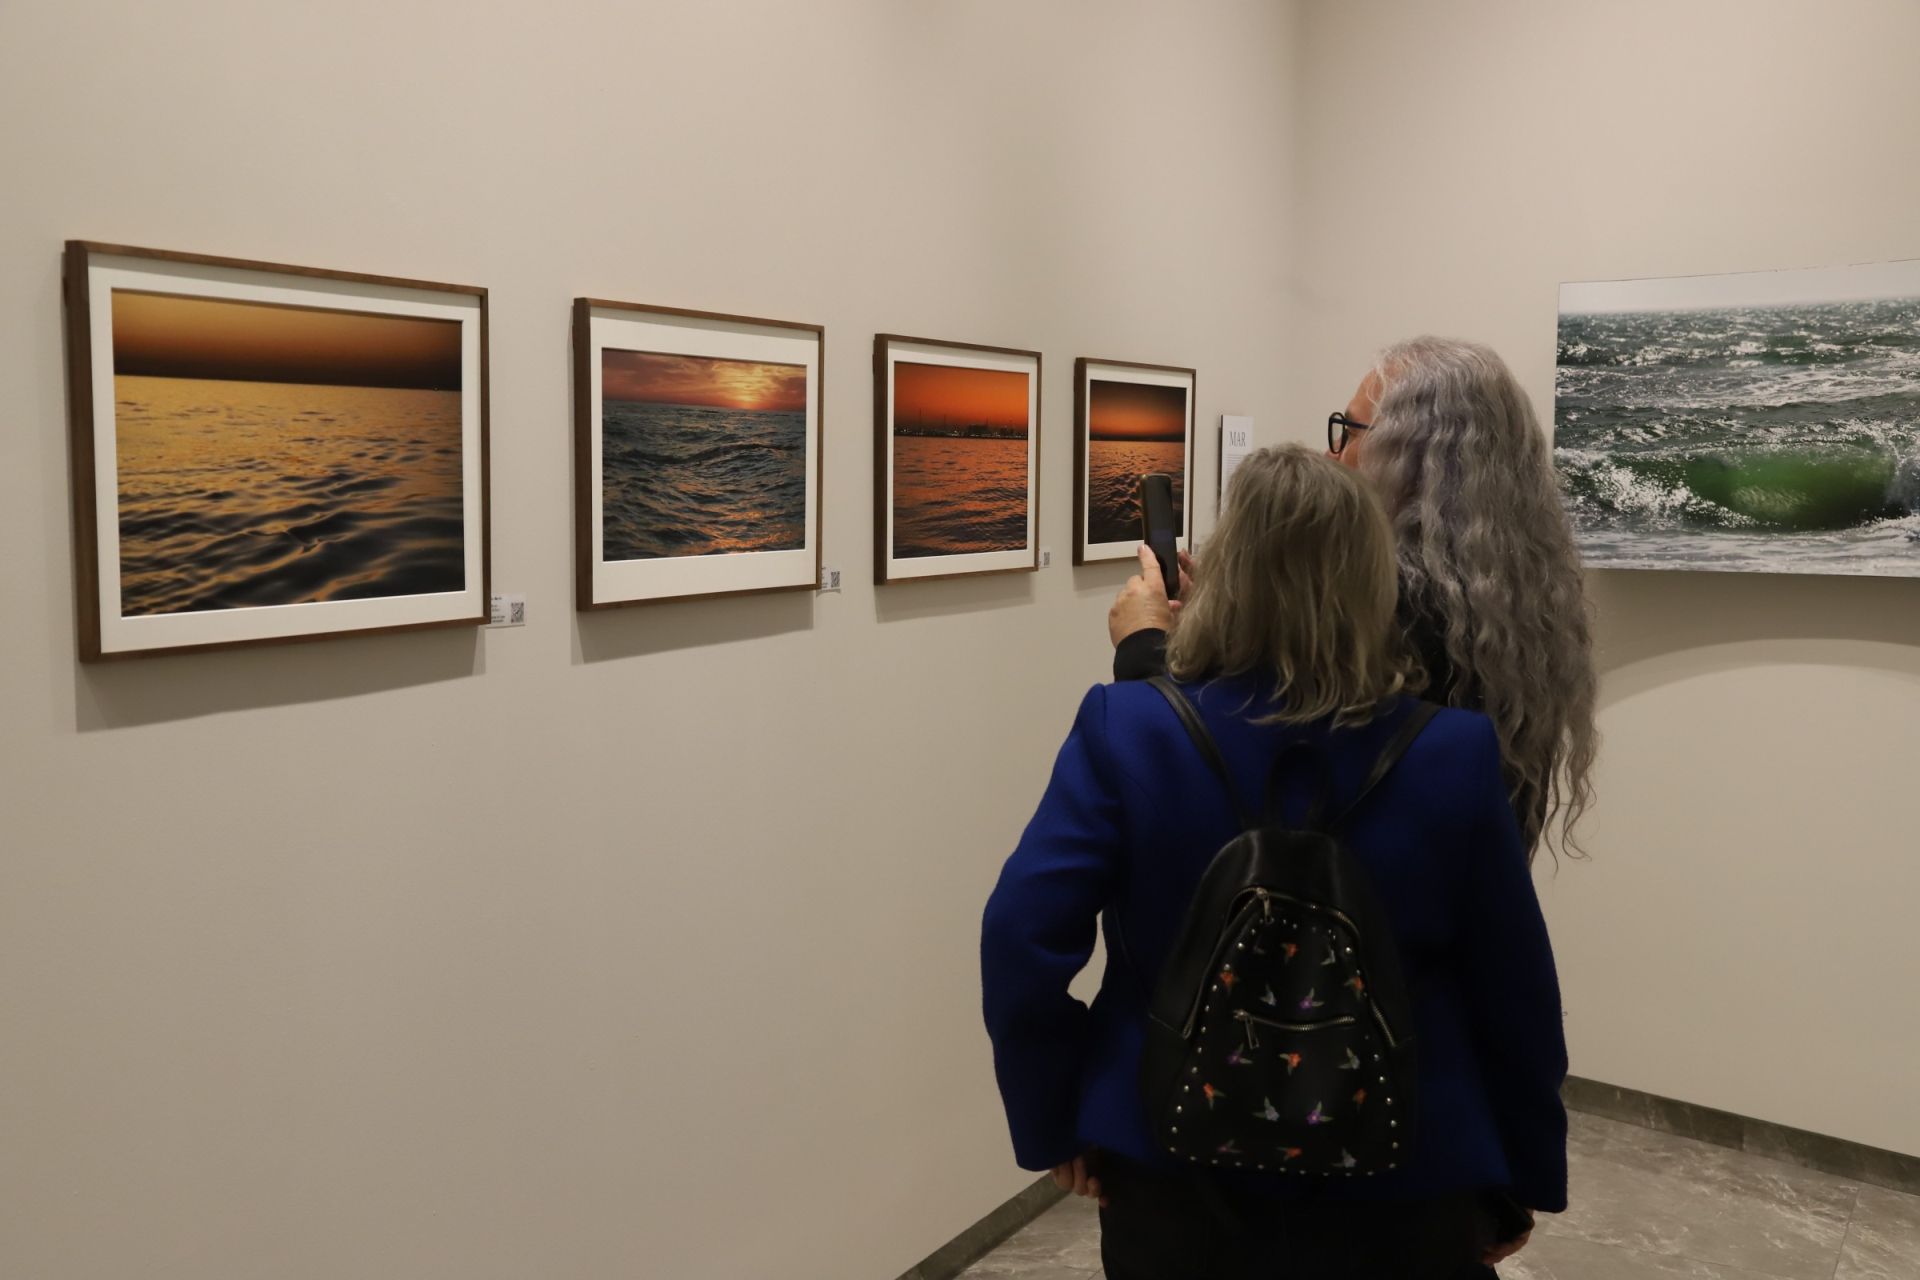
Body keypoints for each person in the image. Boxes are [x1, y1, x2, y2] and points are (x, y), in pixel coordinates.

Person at [983, 446, 1568, 1279]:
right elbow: (1515, 991)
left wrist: (1057, 1113)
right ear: (1374, 582)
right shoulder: (1453, 752)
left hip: (1168, 1151)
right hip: (1405, 1165)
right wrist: (1523, 1172)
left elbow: (1018, 939)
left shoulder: (1127, 728)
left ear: (1225, 575)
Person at [1110, 336, 1597, 858]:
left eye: (1348, 432)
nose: (1331, 453)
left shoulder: (1384, 613)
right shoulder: (1510, 597)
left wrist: (1145, 646)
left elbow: (1232, 766)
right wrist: (1220, 612)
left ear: (1413, 458)